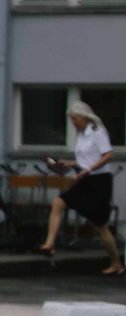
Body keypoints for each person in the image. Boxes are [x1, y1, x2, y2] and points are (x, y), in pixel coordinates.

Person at [40, 96, 122, 275]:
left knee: (100, 224)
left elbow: (107, 155)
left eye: (75, 119)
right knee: (58, 202)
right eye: (71, 120)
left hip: (99, 182)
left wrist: (88, 169)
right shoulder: (81, 134)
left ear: (84, 117)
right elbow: (85, 158)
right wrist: (69, 163)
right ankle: (50, 244)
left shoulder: (96, 131)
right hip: (85, 179)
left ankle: (116, 263)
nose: (73, 123)